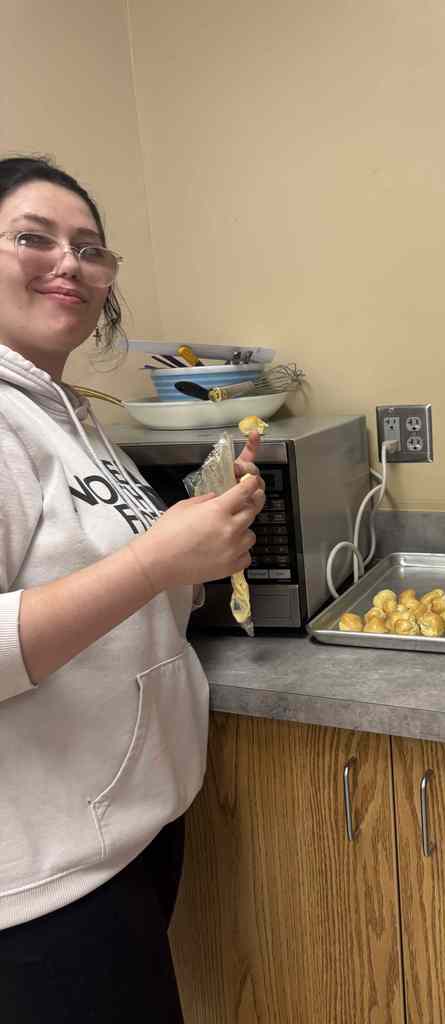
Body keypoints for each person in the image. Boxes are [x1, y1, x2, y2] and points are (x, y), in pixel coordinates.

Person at [0, 155, 265, 1022]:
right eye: (32, 238)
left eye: (90, 249)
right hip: (38, 888)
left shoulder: (69, 414)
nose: (69, 264)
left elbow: (111, 594)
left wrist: (196, 543)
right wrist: (156, 560)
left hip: (123, 836)